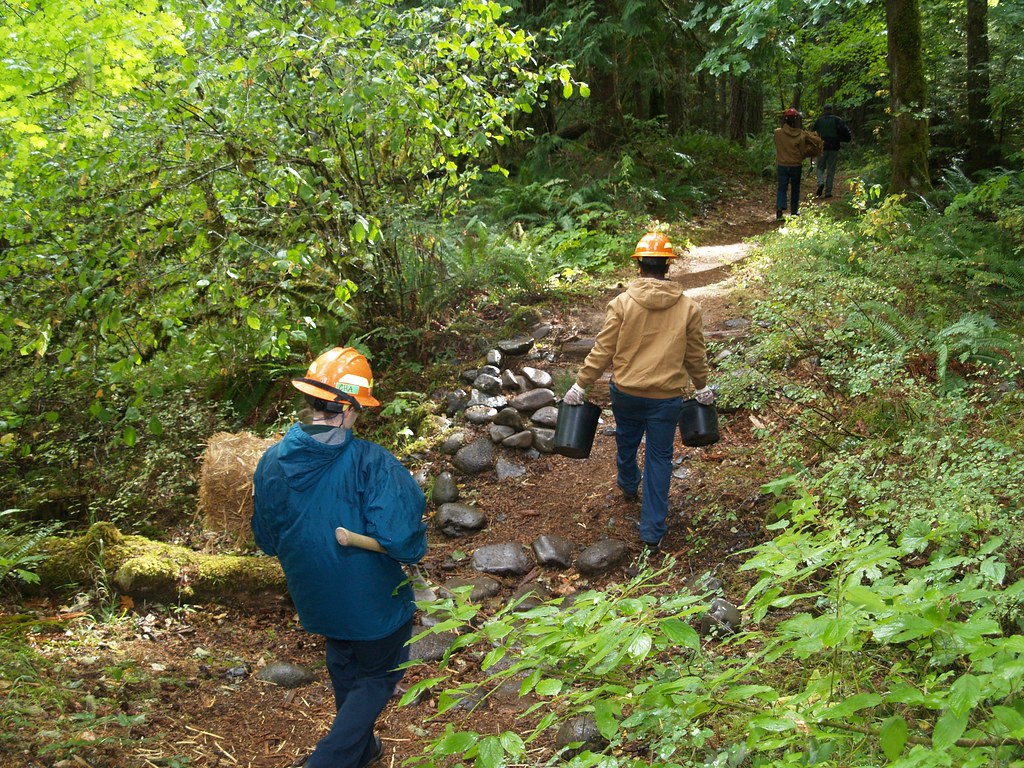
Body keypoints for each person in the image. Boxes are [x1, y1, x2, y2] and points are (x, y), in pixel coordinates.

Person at [252, 346, 427, 768]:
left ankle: (362, 749)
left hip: (314, 598)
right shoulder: (371, 462)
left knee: (344, 659)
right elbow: (403, 540)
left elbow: (267, 539)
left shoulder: (271, 462)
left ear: (311, 401)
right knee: (376, 676)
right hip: (373, 602)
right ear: (348, 409)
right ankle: (327, 761)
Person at [562, 232, 714, 553]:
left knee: (627, 439)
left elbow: (602, 351)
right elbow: (696, 356)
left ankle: (628, 484)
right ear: (668, 266)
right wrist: (702, 387)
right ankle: (652, 531)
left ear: (639, 266)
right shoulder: (688, 308)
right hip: (667, 397)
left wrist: (581, 384)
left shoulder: (621, 304)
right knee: (660, 458)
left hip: (627, 392)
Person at [773, 107, 820, 220]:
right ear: (795, 120)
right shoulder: (802, 135)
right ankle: (794, 212)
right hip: (795, 166)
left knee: (782, 188)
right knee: (795, 188)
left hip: (782, 165)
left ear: (785, 120)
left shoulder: (777, 133)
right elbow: (803, 152)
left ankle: (780, 208)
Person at [812, 103, 852, 198]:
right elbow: (845, 131)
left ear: (824, 110)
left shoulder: (818, 121)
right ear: (831, 110)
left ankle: (820, 182)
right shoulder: (837, 120)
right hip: (834, 147)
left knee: (820, 167)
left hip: (821, 148)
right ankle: (828, 192)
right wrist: (844, 139)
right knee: (831, 170)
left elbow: (813, 134)